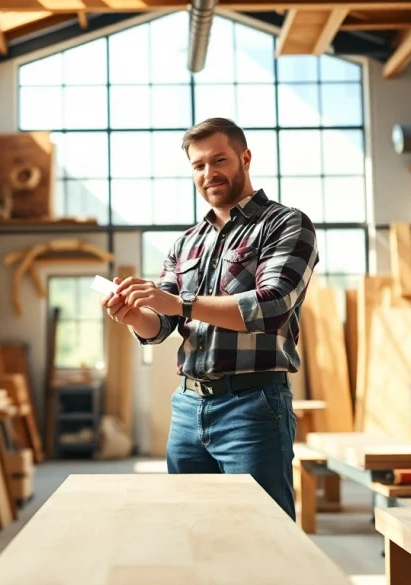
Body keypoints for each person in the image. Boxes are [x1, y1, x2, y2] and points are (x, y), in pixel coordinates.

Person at [100, 117, 319, 519]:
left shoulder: (285, 223)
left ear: (245, 158)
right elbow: (160, 325)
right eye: (198, 165)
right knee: (190, 531)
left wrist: (179, 304)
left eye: (219, 160)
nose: (209, 173)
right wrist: (134, 315)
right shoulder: (186, 242)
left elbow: (272, 306)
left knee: (263, 536)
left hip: (253, 406)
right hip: (187, 408)